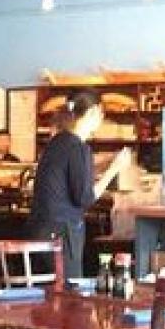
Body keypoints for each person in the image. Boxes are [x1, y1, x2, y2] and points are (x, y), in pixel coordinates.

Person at [27, 90, 129, 278]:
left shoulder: (57, 142)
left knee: (49, 291)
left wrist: (103, 164)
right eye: (101, 113)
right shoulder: (78, 147)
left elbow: (71, 176)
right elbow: (84, 198)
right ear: (92, 112)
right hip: (62, 234)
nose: (102, 119)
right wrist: (114, 169)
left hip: (41, 230)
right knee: (70, 291)